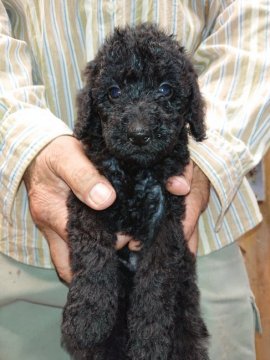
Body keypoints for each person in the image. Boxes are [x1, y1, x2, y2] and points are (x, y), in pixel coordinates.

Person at [0, 1, 269, 359]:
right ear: (93, 105)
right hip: (28, 247)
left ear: (192, 107)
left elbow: (257, 18)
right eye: (113, 94)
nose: (139, 124)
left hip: (201, 240)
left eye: (165, 93)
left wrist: (214, 152)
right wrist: (27, 141)